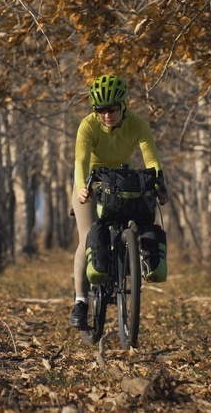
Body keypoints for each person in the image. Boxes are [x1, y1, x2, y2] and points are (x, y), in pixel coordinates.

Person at [69, 74, 167, 330]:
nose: (107, 115)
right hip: (92, 182)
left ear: (124, 105)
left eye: (112, 109)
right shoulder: (88, 126)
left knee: (139, 216)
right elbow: (80, 161)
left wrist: (159, 185)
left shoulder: (137, 124)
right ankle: (80, 301)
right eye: (101, 110)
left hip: (123, 181)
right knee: (87, 235)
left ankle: (126, 257)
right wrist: (81, 188)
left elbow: (152, 160)